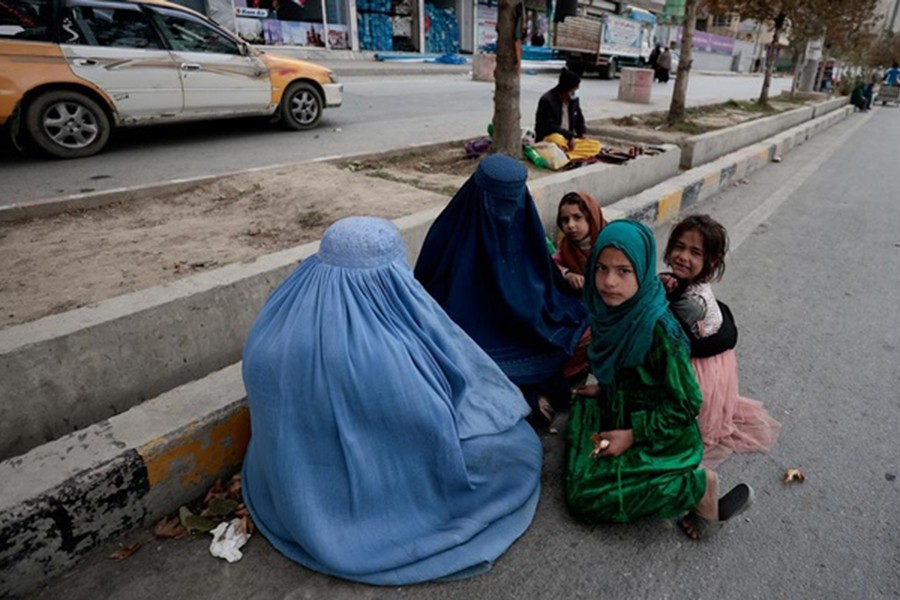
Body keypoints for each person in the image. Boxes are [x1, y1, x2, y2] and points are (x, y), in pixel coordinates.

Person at [241, 216, 543, 585]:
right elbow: (429, 424)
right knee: (511, 452)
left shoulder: (275, 318)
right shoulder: (389, 351)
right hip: (385, 488)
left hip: (289, 486)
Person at [565, 219, 754, 539]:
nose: (609, 281)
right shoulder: (611, 310)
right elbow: (626, 370)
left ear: (641, 270)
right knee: (582, 420)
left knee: (585, 496)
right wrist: (606, 388)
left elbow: (687, 404)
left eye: (623, 271)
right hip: (625, 406)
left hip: (661, 430)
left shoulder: (659, 331)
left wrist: (632, 435)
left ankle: (696, 488)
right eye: (601, 268)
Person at [415, 154, 590, 427]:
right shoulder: (449, 237)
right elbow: (433, 309)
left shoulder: (524, 229)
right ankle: (527, 392)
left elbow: (545, 283)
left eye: (512, 204)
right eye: (497, 204)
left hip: (527, 329)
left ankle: (523, 390)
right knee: (446, 365)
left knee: (591, 331)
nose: (505, 214)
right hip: (470, 341)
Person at [661, 215, 781, 468]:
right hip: (713, 359)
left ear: (711, 261)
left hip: (697, 368)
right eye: (679, 247)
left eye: (695, 253)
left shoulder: (691, 303)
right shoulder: (688, 283)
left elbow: (668, 336)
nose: (683, 256)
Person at [535, 67, 601, 161]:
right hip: (552, 138)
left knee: (595, 145)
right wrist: (569, 136)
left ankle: (566, 155)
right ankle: (566, 153)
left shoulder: (574, 100)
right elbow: (548, 126)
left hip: (568, 140)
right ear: (567, 88)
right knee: (557, 140)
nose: (577, 91)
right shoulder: (547, 100)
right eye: (575, 88)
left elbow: (579, 118)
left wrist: (581, 134)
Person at [552, 191, 606, 291]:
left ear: (591, 218)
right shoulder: (566, 247)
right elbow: (552, 265)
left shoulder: (609, 243)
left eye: (577, 217)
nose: (570, 225)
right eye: (565, 220)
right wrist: (567, 274)